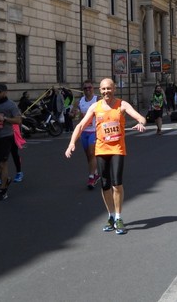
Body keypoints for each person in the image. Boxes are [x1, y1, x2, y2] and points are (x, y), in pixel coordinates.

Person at [64, 78, 147, 235]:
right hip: (101, 149)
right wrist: (71, 143)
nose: (106, 91)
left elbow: (140, 117)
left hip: (117, 148)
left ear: (114, 89)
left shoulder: (122, 104)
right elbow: (81, 125)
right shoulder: (96, 107)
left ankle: (118, 217)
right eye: (103, 89)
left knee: (117, 184)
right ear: (99, 90)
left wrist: (141, 123)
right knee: (105, 184)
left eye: (109, 88)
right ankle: (110, 216)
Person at [73, 80, 100, 189]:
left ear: (93, 89)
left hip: (95, 130)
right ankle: (96, 173)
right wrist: (74, 114)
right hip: (84, 132)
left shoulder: (97, 100)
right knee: (88, 155)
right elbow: (75, 115)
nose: (88, 90)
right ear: (83, 90)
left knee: (91, 152)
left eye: (90, 88)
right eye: (85, 88)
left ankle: (91, 177)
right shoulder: (79, 102)